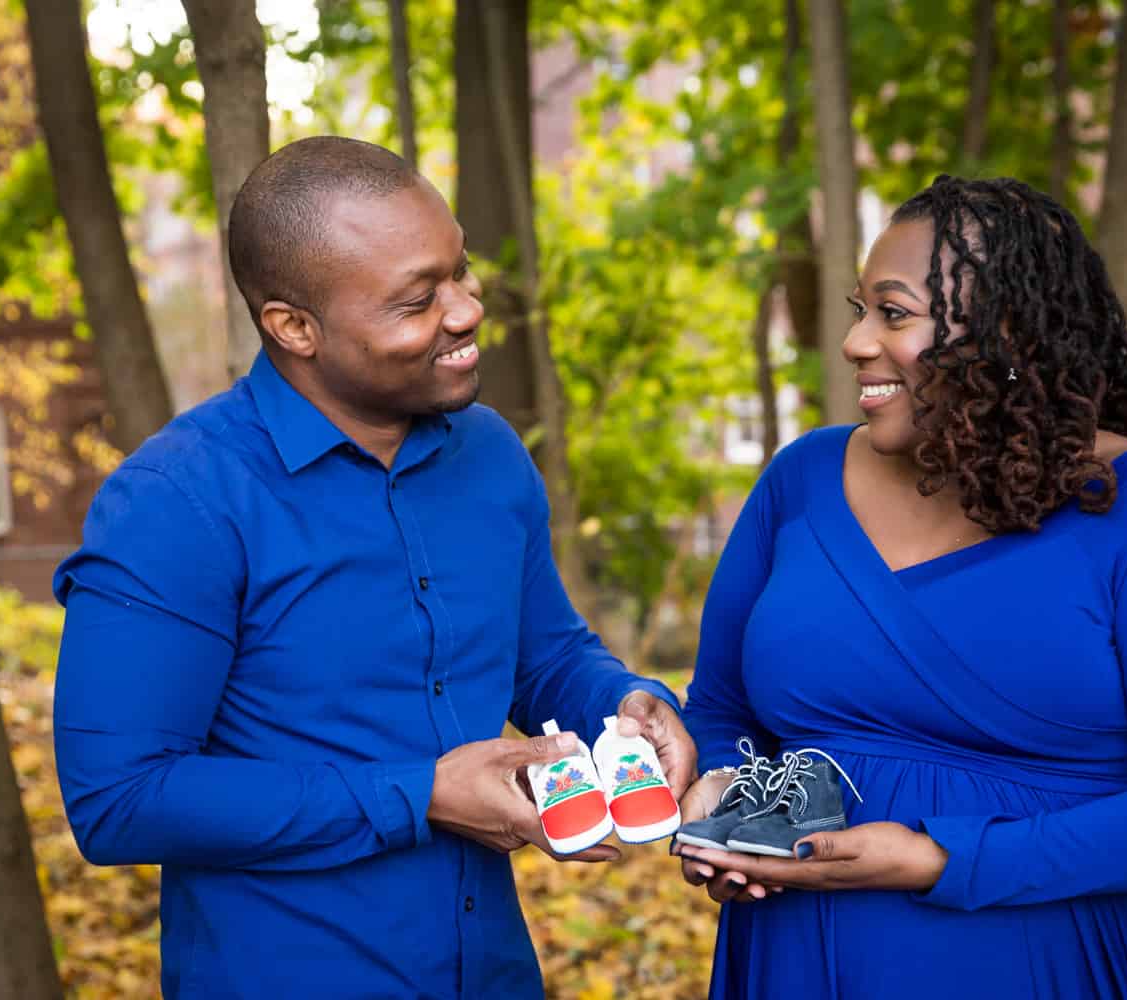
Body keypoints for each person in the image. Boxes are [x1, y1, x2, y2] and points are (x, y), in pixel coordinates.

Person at [51, 136, 696, 1000]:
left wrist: (620, 702)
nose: (465, 311)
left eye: (459, 274)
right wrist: (416, 795)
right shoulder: (177, 503)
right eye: (416, 301)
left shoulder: (490, 456)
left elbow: (542, 657)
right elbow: (120, 800)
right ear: (294, 327)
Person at [673, 175, 1127, 998]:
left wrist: (944, 858)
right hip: (802, 961)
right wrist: (725, 803)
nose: (856, 341)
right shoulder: (802, 482)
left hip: (1072, 960)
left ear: (1003, 334)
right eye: (861, 309)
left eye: (892, 314)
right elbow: (722, 709)